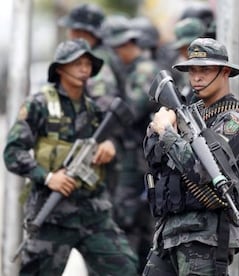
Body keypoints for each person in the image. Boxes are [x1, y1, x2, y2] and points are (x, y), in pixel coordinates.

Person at [3, 39, 138, 275]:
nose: (84, 69)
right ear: (59, 69)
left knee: (125, 268)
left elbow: (119, 140)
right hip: (52, 215)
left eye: (87, 63)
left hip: (93, 214)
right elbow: (13, 153)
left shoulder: (96, 110)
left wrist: (110, 145)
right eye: (76, 63)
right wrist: (47, 177)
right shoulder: (39, 105)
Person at [142, 38, 239, 276]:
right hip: (168, 234)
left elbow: (202, 170)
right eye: (192, 70)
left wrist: (167, 132)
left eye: (205, 69)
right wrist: (157, 129)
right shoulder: (186, 114)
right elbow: (153, 158)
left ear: (225, 72)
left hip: (206, 238)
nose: (196, 77)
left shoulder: (234, 121)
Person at [101, 15, 159, 273]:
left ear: (127, 45)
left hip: (139, 159)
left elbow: (133, 110)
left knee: (131, 219)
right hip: (135, 156)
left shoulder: (144, 70)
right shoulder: (134, 69)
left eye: (117, 49)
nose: (116, 55)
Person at [58, 3, 119, 111]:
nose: (69, 34)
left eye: (72, 30)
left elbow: (103, 104)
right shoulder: (101, 54)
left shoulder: (97, 60)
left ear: (82, 33)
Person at [171, 17, 206, 102]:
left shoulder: (214, 68)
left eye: (189, 47)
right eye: (182, 48)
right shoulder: (180, 68)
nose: (186, 53)